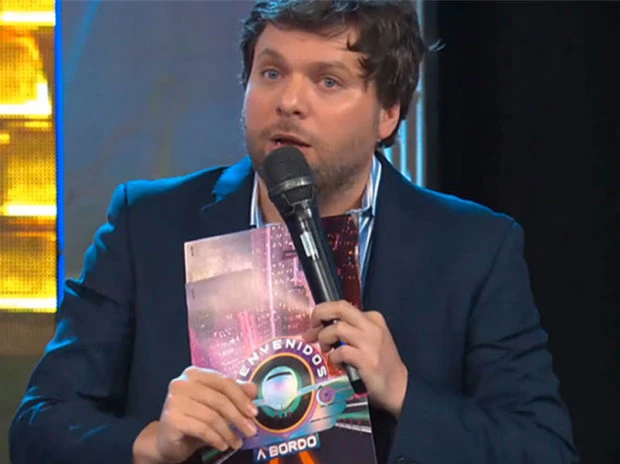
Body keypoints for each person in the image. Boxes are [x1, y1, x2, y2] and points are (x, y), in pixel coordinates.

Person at [10, 1, 578, 463]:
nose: (288, 102)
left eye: (328, 81)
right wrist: (150, 445)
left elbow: (544, 449)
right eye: (272, 73)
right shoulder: (146, 225)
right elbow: (39, 425)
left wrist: (404, 393)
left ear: (389, 113)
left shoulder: (473, 248)